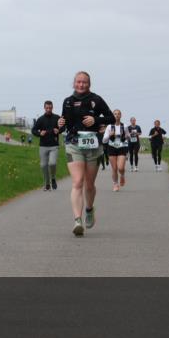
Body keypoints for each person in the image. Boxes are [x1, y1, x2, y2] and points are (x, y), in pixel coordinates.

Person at [57, 72, 114, 237]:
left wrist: (95, 120)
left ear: (89, 84)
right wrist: (60, 124)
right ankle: (77, 220)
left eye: (84, 82)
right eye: (78, 82)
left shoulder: (96, 99)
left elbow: (110, 118)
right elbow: (63, 124)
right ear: (74, 83)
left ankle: (89, 209)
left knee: (89, 184)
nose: (81, 85)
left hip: (93, 145)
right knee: (77, 182)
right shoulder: (68, 101)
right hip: (73, 144)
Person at [31, 100, 61, 191]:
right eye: (47, 108)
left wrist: (59, 130)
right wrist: (40, 133)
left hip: (54, 146)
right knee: (43, 165)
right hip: (43, 146)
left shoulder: (57, 118)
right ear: (44, 108)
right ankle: (47, 184)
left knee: (52, 163)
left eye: (50, 108)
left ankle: (53, 178)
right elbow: (33, 130)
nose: (48, 109)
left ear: (52, 108)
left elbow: (64, 126)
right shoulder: (40, 119)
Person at [103, 110, 129, 191]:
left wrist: (128, 137)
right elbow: (104, 140)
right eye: (115, 114)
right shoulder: (109, 127)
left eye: (118, 114)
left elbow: (128, 137)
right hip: (112, 147)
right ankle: (115, 184)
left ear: (121, 116)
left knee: (120, 168)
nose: (117, 115)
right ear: (113, 115)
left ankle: (122, 175)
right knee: (114, 168)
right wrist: (109, 135)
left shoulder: (124, 126)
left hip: (122, 147)